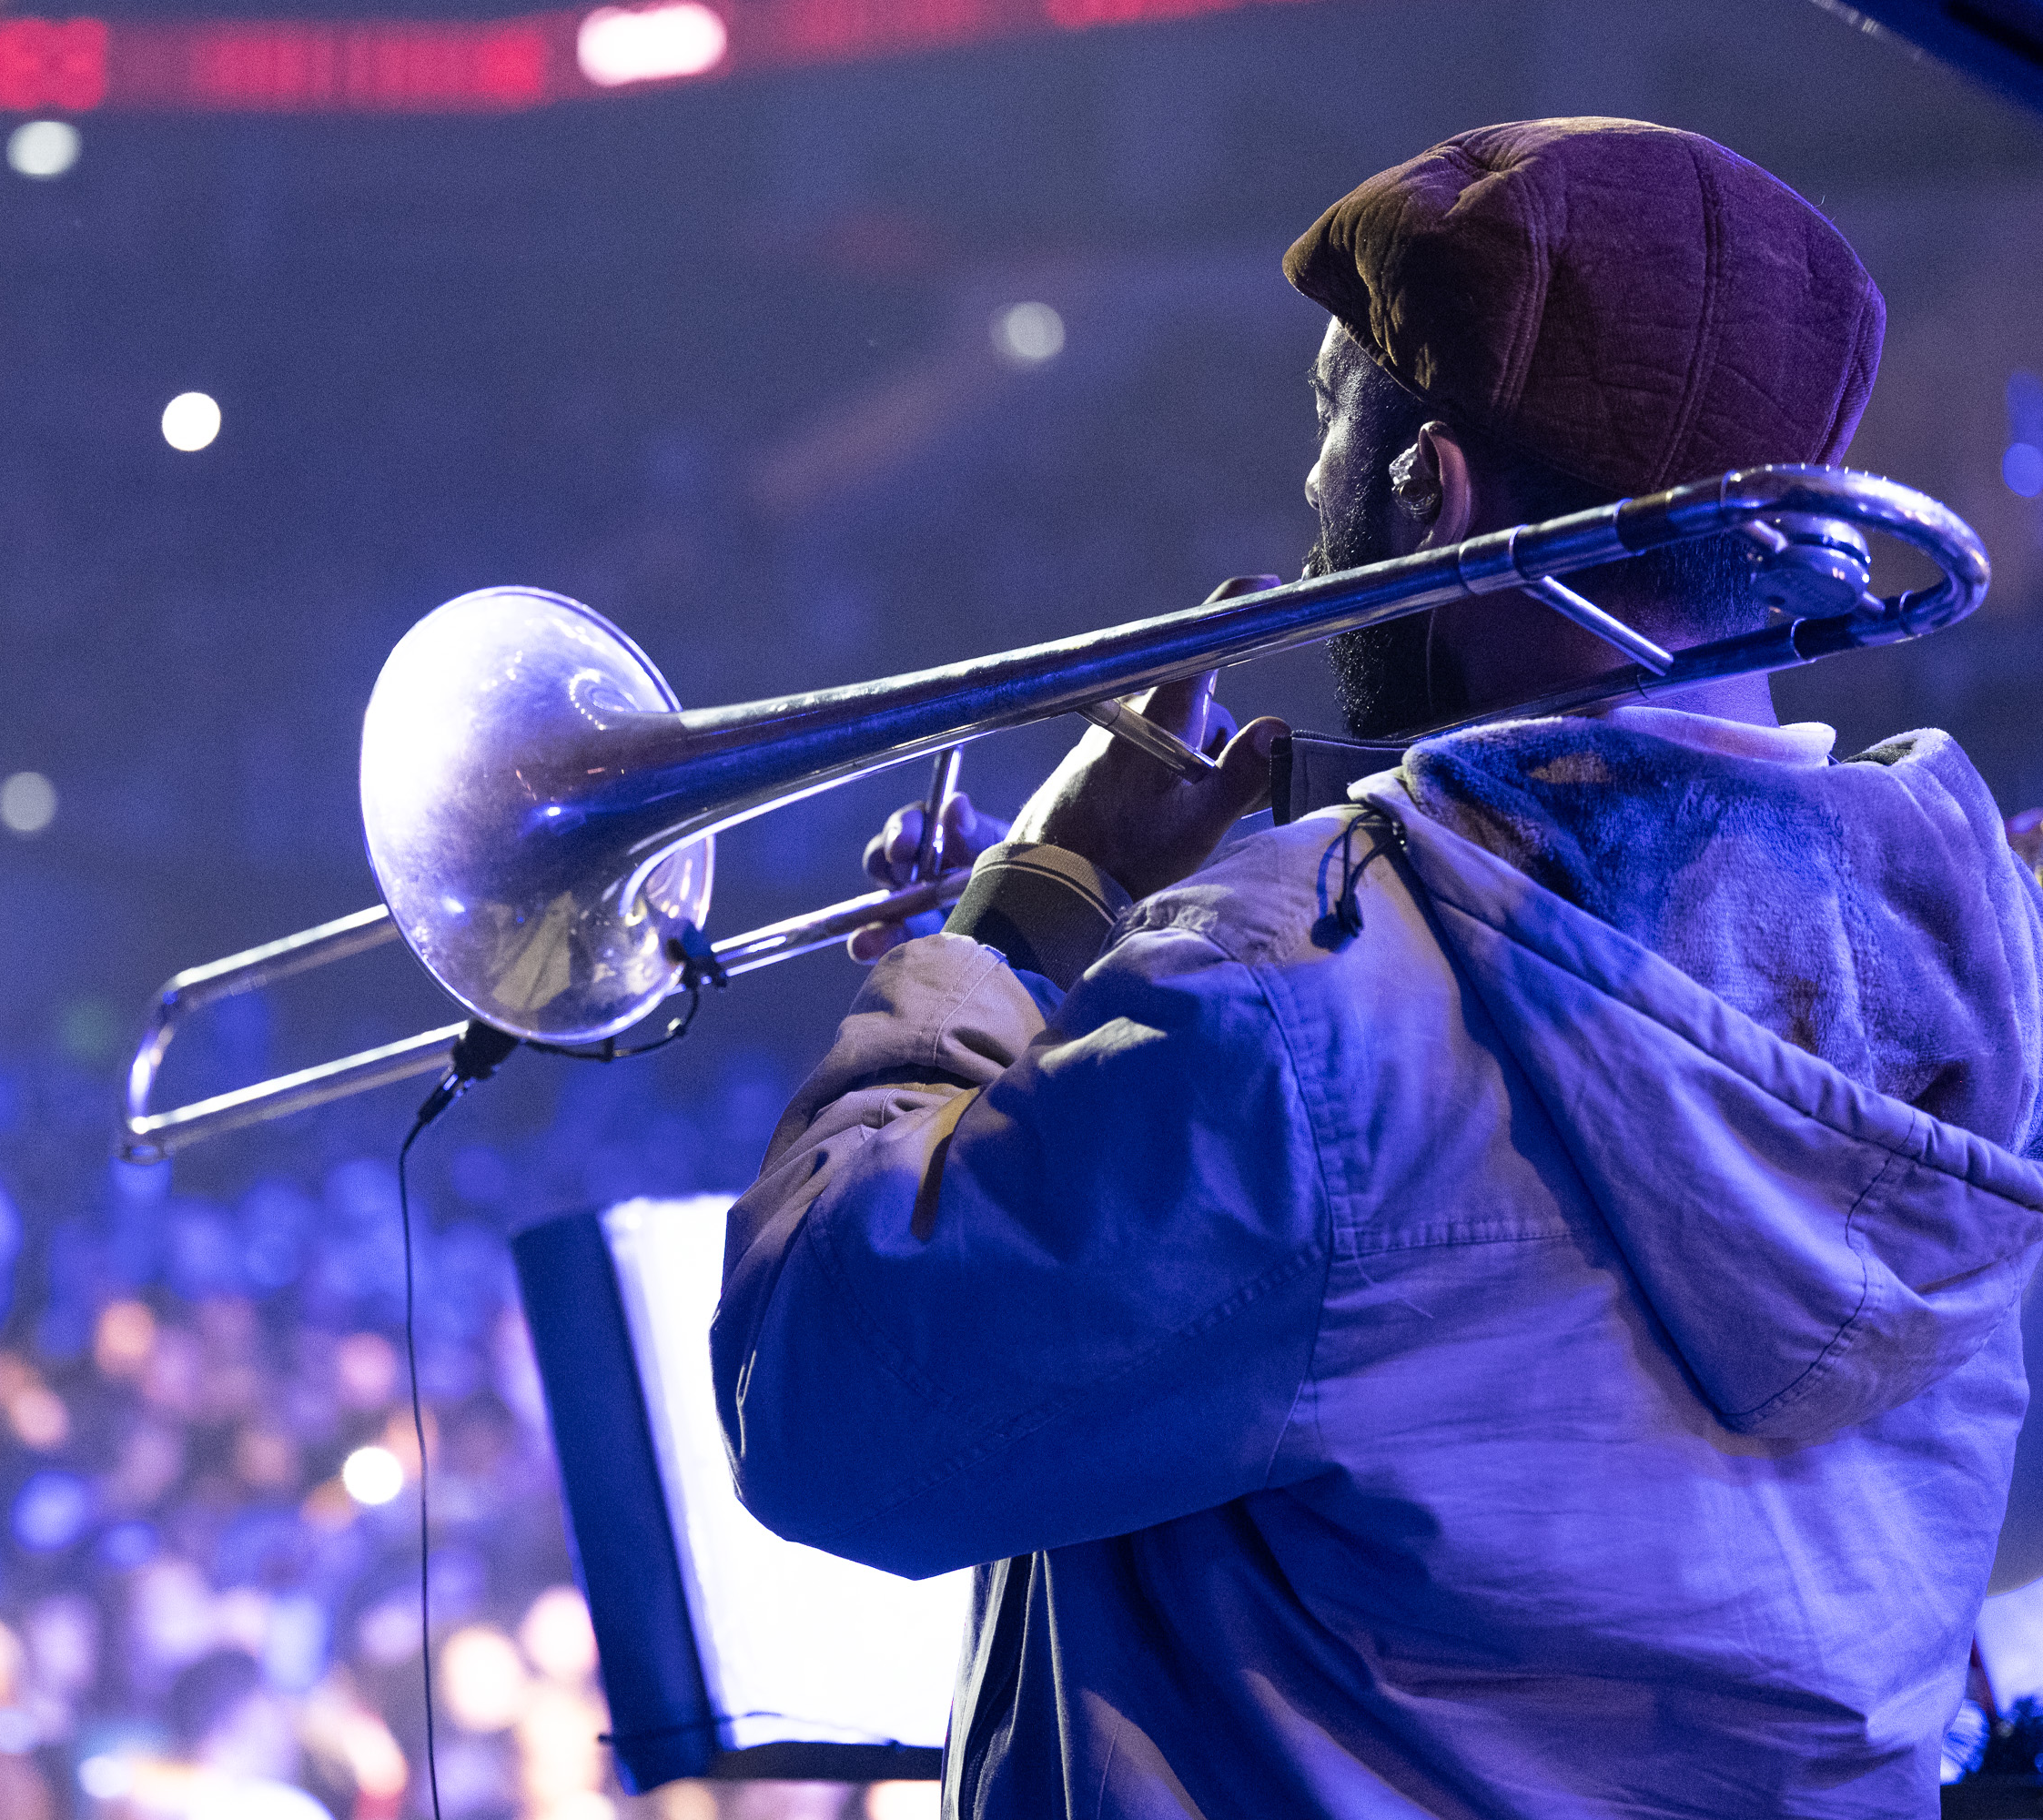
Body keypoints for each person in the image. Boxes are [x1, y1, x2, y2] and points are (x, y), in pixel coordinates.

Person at [713, 117, 2043, 1814]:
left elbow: (827, 1416)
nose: (1321, 492)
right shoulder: (1982, 958)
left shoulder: (1298, 993)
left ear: (1434, 487)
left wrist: (1027, 917)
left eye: (1336, 425)